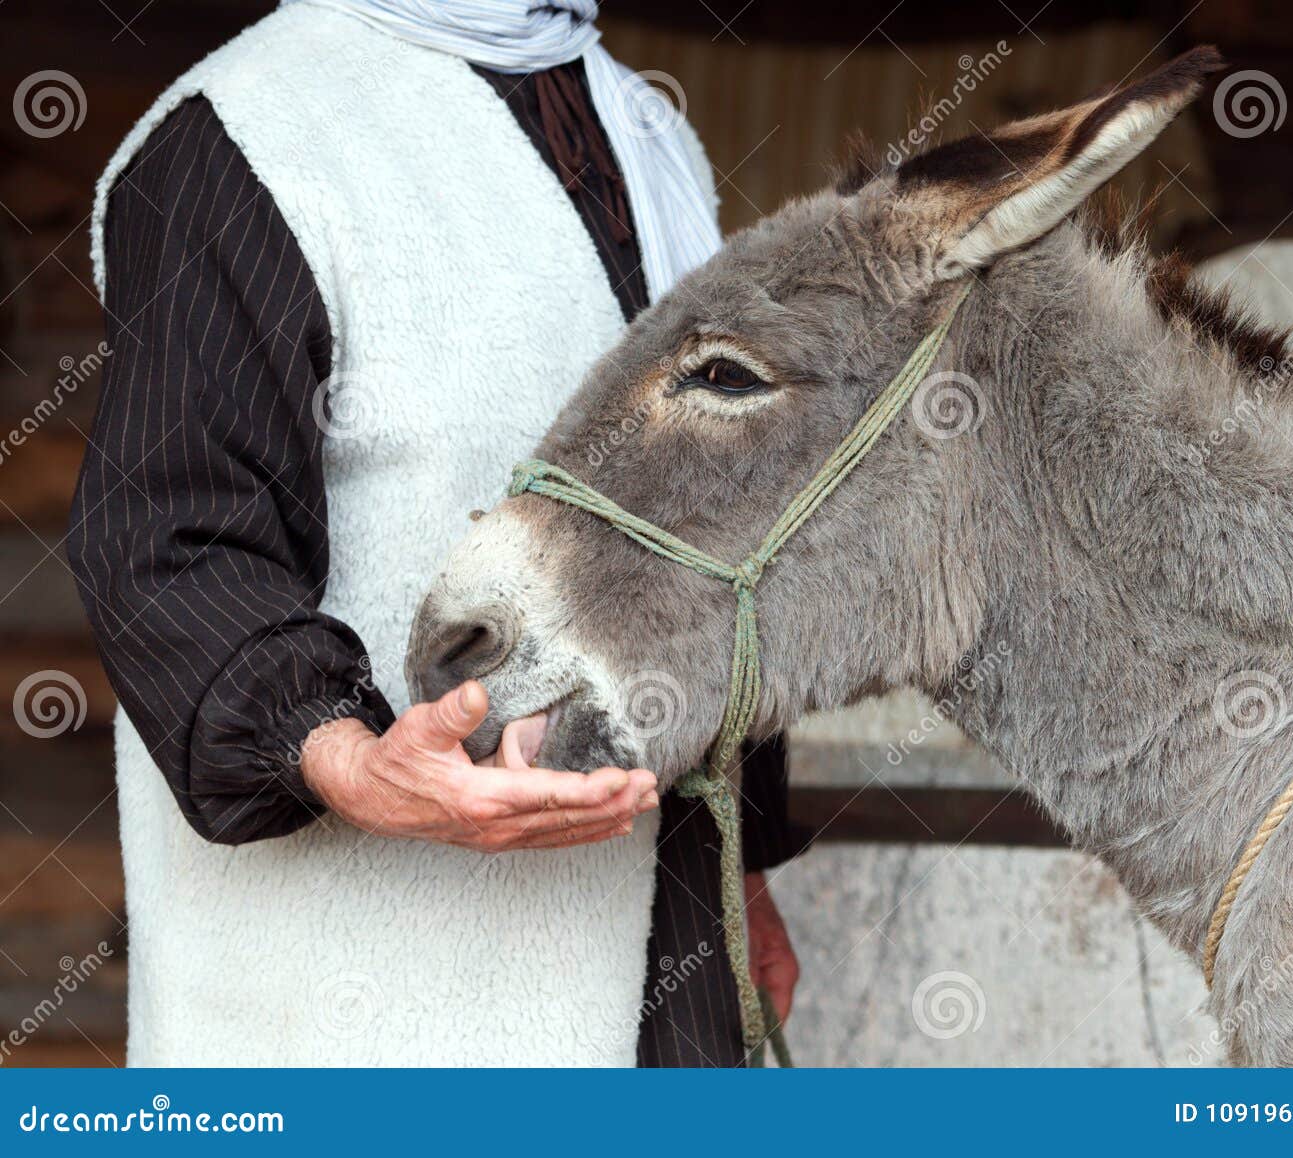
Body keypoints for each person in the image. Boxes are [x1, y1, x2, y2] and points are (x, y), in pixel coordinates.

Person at [69, 0, 802, 1066]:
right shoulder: (242, 135)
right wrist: (347, 758)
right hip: (367, 1002)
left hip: (665, 948)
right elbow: (170, 533)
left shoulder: (642, 129)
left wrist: (742, 882)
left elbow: (721, 537)